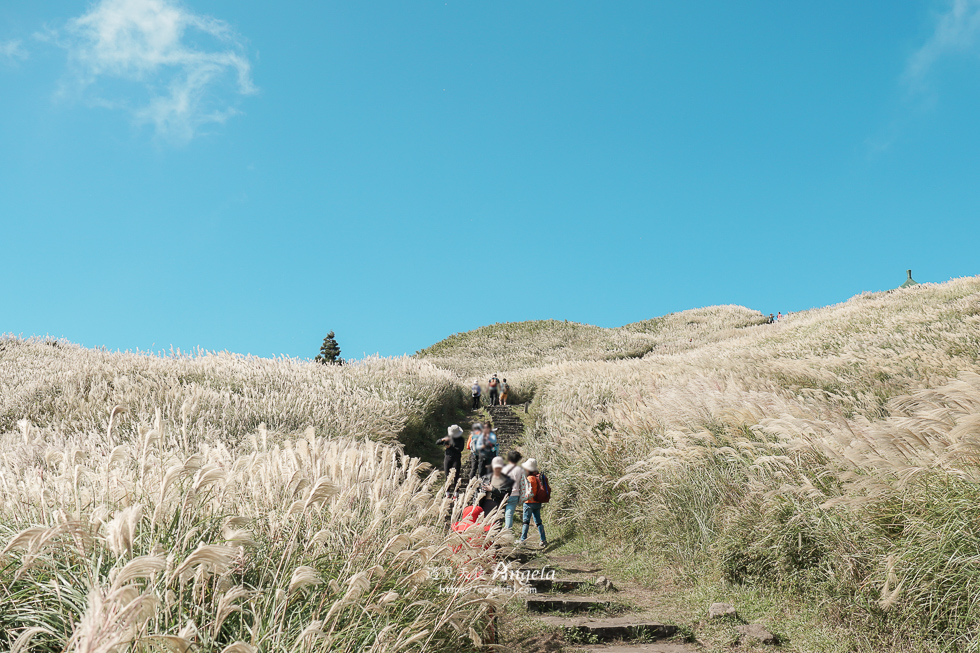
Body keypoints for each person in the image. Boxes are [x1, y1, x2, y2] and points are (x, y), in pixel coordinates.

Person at [520, 458, 548, 547]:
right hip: (537, 502)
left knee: (526, 522)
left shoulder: (529, 478)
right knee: (538, 522)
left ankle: (523, 540)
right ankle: (543, 540)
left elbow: (526, 491)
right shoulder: (538, 478)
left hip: (528, 502)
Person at [436, 425, 466, 496]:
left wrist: (450, 447)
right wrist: (442, 439)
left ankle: (456, 493)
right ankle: (447, 493)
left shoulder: (461, 439)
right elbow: (437, 442)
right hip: (447, 458)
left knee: (456, 476)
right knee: (447, 476)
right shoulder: (448, 438)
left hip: (456, 458)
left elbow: (460, 449)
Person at [501, 450, 525, 530]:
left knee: (500, 513)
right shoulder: (520, 470)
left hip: (503, 494)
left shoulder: (504, 469)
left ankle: (498, 530)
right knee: (509, 514)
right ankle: (508, 531)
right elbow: (522, 483)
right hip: (515, 494)